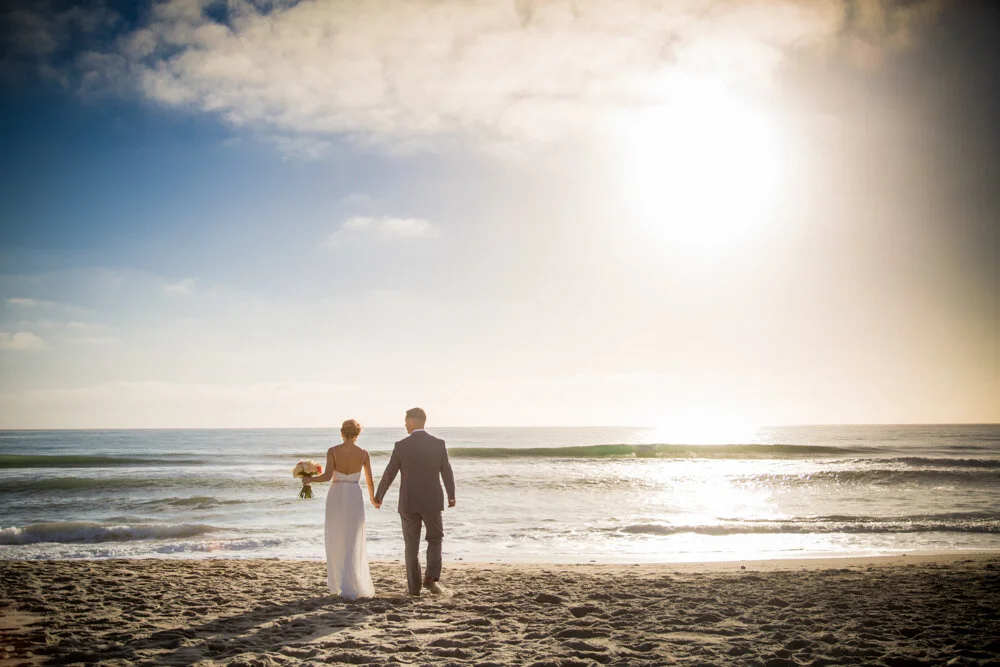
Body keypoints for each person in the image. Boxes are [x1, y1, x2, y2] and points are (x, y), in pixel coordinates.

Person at [373, 407, 456, 596]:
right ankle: (431, 578)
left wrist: (379, 496)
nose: (404, 424)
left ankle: (414, 589)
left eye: (406, 421)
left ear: (413, 421)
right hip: (432, 501)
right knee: (435, 539)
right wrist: (451, 495)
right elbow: (446, 471)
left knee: (411, 546)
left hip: (408, 503)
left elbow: (389, 473)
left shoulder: (401, 446)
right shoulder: (438, 444)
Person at [300, 419, 376, 599]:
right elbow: (370, 481)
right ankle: (351, 582)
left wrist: (310, 480)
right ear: (358, 434)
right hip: (354, 494)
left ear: (342, 433)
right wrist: (374, 499)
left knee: (336, 537)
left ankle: (340, 583)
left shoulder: (333, 451)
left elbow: (327, 476)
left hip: (336, 494)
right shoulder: (364, 454)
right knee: (352, 538)